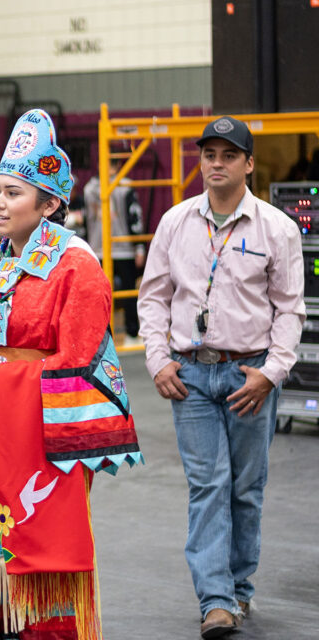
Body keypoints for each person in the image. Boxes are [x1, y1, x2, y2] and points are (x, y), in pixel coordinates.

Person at [0, 110, 141, 639]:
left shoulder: (76, 269)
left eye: (13, 193)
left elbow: (83, 370)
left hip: (41, 455)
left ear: (50, 204)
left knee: (40, 591)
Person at [137, 116, 304, 639]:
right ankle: (216, 601)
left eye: (228, 155)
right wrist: (159, 360)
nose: (215, 163)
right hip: (191, 377)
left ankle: (238, 588)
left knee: (246, 489)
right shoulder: (175, 222)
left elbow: (290, 311)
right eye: (208, 154)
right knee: (208, 486)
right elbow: (153, 297)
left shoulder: (278, 228)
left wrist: (271, 374)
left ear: (248, 164)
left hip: (248, 375)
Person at [84, 157, 146, 343]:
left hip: (107, 247)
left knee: (116, 294)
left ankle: (122, 333)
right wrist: (139, 247)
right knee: (110, 294)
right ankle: (127, 333)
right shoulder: (122, 186)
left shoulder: (91, 188)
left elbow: (134, 215)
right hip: (112, 247)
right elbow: (135, 218)